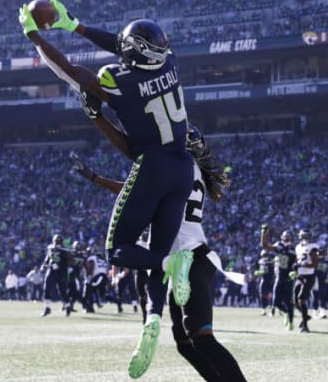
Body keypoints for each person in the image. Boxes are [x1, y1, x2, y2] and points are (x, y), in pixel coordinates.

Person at [19, 0, 195, 370]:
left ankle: (171, 264)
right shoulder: (171, 61)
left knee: (119, 251)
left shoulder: (119, 80)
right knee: (156, 260)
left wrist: (35, 36)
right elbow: (124, 48)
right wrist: (76, 27)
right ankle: (152, 320)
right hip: (183, 168)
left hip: (153, 166)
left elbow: (69, 71)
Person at [72, 124, 246, 380]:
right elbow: (139, 191)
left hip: (191, 259)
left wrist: (96, 178)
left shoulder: (178, 169)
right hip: (186, 260)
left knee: (203, 340)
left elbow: (137, 191)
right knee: (186, 344)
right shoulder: (189, 169)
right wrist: (96, 179)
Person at [261, 226, 297, 330]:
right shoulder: (279, 246)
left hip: (289, 279)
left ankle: (290, 322)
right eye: (285, 236)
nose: (286, 238)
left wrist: (295, 271)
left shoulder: (294, 249)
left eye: (288, 237)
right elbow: (264, 245)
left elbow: (297, 262)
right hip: (279, 277)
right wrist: (264, 233)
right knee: (276, 302)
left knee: (289, 301)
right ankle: (286, 313)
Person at [293, 229, 319, 333]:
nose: (305, 239)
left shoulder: (312, 247)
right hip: (300, 276)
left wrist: (302, 264)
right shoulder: (298, 247)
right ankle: (306, 316)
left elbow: (314, 263)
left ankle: (305, 326)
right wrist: (295, 267)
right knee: (295, 301)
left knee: (301, 298)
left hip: (309, 276)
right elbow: (297, 261)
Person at [40, 234, 71, 317]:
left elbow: (69, 262)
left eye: (58, 241)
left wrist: (60, 266)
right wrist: (44, 264)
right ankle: (47, 308)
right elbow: (48, 257)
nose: (56, 243)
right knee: (46, 288)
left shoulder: (64, 250)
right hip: (51, 270)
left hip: (61, 272)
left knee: (62, 291)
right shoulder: (50, 248)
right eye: (56, 241)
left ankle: (68, 306)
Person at [254, 249, 275, 316]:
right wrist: (258, 273)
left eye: (265, 255)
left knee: (273, 296)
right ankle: (264, 309)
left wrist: (261, 272)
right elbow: (259, 269)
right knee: (263, 295)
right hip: (263, 280)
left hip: (270, 280)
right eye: (264, 255)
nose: (265, 256)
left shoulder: (270, 262)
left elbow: (271, 271)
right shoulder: (260, 261)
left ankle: (273, 309)